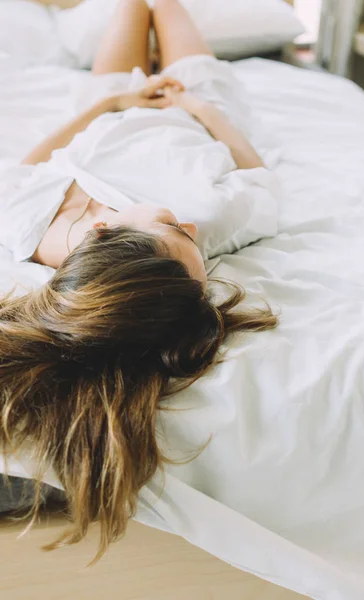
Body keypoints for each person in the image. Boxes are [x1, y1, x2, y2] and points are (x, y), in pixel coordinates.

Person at [0, 0, 278, 560]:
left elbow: (27, 167)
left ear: (102, 231)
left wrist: (111, 101)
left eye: (173, 225)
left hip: (106, 107)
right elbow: (260, 183)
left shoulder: (25, 229)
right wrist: (201, 108)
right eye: (189, 239)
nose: (192, 224)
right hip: (191, 112)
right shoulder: (206, 220)